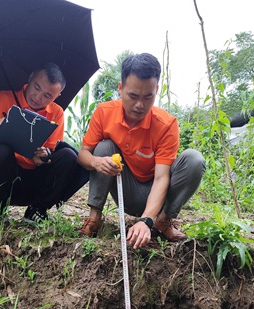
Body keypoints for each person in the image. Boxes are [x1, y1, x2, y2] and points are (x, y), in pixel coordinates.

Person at [77, 53, 206, 249]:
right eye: (133, 96)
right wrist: (96, 162)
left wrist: (146, 221)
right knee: (103, 147)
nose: (140, 105)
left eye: (148, 97)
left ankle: (163, 220)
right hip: (127, 189)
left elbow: (162, 178)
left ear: (156, 90)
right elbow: (83, 154)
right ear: (121, 88)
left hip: (157, 194)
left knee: (194, 160)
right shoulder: (104, 113)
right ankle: (94, 218)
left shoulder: (166, 124)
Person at [0, 62, 88, 228]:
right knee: (2, 151)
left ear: (57, 96)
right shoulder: (3, 98)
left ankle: (37, 210)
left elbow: (50, 151)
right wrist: (0, 131)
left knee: (69, 155)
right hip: (5, 181)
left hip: (34, 184)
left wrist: (43, 157)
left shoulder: (56, 113)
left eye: (47, 95)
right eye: (36, 87)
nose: (38, 97)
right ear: (30, 78)